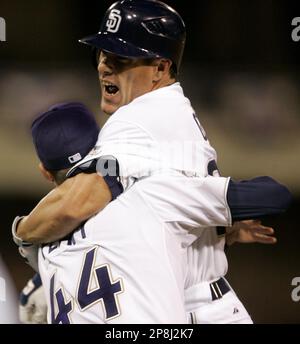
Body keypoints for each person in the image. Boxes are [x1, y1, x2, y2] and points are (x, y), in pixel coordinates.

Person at [14, 0, 292, 323]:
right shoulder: (173, 113)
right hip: (208, 302)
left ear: (160, 68)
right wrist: (216, 226)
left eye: (120, 57)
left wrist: (23, 234)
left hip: (195, 306)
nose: (104, 66)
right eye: (102, 53)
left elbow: (79, 200)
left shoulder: (138, 118)